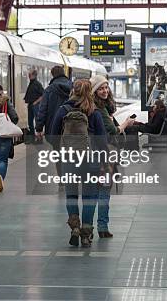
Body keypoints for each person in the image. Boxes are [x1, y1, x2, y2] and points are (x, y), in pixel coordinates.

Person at [50, 79, 108, 247]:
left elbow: (52, 135)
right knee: (90, 197)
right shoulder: (94, 112)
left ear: (73, 91)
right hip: (91, 160)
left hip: (69, 160)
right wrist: (104, 162)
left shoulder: (63, 110)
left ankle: (75, 227)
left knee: (71, 195)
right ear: (90, 92)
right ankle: (86, 234)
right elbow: (102, 140)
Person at [90, 75, 134, 239]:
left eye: (106, 87)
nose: (105, 91)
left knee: (95, 192)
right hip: (104, 157)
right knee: (103, 192)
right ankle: (102, 226)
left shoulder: (99, 108)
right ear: (94, 92)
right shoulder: (99, 110)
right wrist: (125, 124)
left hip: (97, 155)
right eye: (101, 88)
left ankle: (91, 226)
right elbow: (112, 130)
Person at [23, 69, 44, 142]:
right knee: (30, 122)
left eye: (30, 75)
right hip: (30, 105)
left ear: (34, 75)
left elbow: (43, 95)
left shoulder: (37, 84)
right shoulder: (31, 83)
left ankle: (39, 136)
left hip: (35, 105)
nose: (28, 76)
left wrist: (36, 102)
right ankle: (32, 137)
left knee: (37, 121)